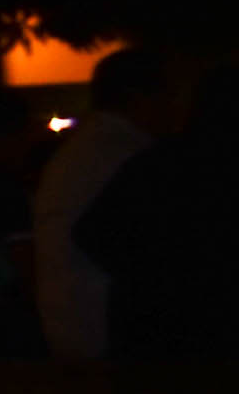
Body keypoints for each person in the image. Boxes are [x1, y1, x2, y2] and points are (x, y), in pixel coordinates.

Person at [30, 44, 172, 361]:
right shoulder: (126, 153)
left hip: (70, 320)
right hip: (107, 327)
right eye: (168, 95)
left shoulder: (82, 150)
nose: (174, 108)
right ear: (141, 97)